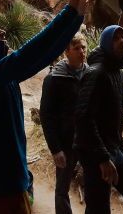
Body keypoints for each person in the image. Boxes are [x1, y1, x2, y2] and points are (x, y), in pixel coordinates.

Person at [0, 0, 96, 214]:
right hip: (0, 188)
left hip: (14, 181)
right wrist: (69, 11)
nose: (1, 31)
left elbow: (43, 56)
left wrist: (77, 17)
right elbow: (28, 55)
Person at [74, 25, 123, 214]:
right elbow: (84, 119)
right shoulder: (95, 73)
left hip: (112, 148)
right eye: (116, 38)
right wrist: (102, 158)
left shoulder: (120, 76)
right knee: (99, 206)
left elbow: (112, 120)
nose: (122, 41)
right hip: (93, 152)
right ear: (106, 42)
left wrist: (122, 147)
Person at [40, 34, 89, 214]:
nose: (82, 52)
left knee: (93, 184)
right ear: (67, 52)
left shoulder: (91, 75)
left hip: (88, 140)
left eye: (83, 47)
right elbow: (47, 115)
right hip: (66, 142)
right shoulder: (54, 79)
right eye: (77, 48)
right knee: (62, 188)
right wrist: (55, 149)